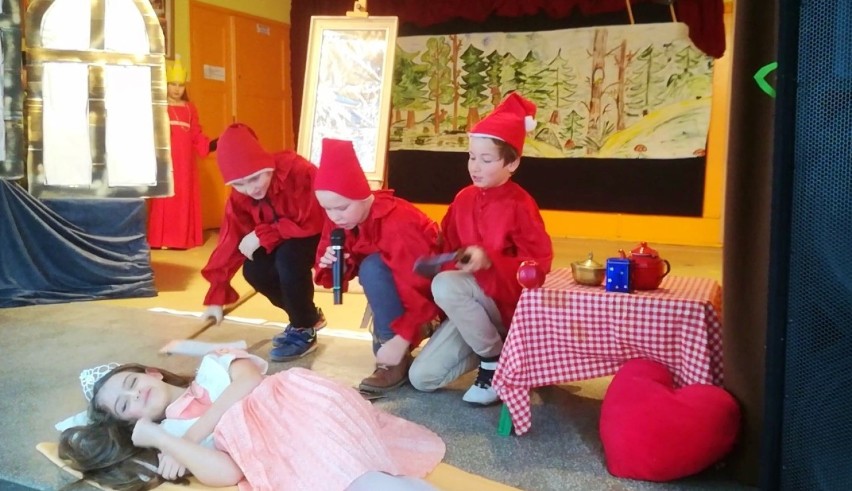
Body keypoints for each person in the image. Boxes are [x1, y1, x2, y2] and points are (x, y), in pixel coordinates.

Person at [59, 349, 445, 491]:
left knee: (340, 458)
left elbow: (249, 381)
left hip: (302, 408)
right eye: (124, 406)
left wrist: (191, 436)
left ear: (152, 372)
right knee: (317, 471)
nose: (133, 395)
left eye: (130, 383)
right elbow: (228, 472)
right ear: (130, 423)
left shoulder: (213, 365)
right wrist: (163, 440)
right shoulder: (173, 433)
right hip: (283, 452)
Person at [408, 92, 554, 406]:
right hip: (474, 307)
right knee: (422, 379)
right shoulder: (463, 198)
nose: (475, 166)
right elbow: (445, 246)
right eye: (472, 157)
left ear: (512, 162)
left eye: (486, 160)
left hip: (508, 306)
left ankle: (494, 360)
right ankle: (495, 354)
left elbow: (538, 264)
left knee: (446, 284)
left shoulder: (521, 204)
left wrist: (490, 260)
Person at [313, 138, 442, 393]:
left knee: (372, 267)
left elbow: (420, 286)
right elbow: (328, 271)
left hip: (430, 301)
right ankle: (391, 352)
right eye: (326, 209)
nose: (335, 216)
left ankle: (404, 347)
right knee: (371, 268)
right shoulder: (340, 219)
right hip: (395, 292)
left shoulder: (398, 222)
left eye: (341, 207)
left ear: (363, 196)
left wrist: (401, 338)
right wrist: (331, 264)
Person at [199, 124, 326, 362]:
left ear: (266, 164)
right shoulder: (240, 198)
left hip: (315, 234)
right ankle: (307, 316)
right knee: (255, 270)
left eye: (255, 177)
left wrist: (262, 235)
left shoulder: (298, 171)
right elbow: (229, 242)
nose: (251, 188)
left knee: (288, 261)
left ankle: (303, 328)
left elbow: (314, 219)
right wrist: (216, 297)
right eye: (240, 184)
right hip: (278, 237)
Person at [147, 56, 216, 250]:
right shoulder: (160, 107)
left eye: (181, 85)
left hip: (185, 162)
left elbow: (196, 133)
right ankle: (160, 239)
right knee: (165, 197)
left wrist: (209, 145)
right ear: (165, 85)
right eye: (172, 84)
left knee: (183, 196)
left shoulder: (190, 108)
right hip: (166, 159)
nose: (177, 89)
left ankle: (180, 239)